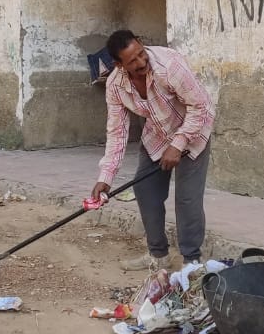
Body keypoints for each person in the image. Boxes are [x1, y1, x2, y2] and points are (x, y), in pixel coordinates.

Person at [91, 30, 216, 271]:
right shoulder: (116, 85)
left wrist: (178, 144)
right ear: (119, 65)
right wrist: (105, 177)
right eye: (132, 61)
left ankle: (192, 262)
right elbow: (117, 132)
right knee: (145, 189)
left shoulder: (169, 65)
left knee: (187, 199)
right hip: (157, 134)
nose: (141, 62)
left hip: (194, 130)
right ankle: (158, 256)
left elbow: (201, 106)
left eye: (141, 53)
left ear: (142, 44)